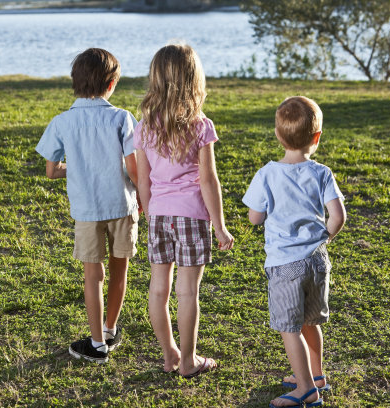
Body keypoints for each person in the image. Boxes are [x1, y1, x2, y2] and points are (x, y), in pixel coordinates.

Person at [135, 44, 234, 378]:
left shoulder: (144, 125)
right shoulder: (200, 124)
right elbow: (208, 180)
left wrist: (151, 215)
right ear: (194, 79)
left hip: (159, 216)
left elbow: (144, 181)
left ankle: (169, 357)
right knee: (188, 291)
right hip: (192, 216)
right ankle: (188, 361)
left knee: (158, 289)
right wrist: (219, 225)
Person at [36, 48, 139, 364]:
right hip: (123, 206)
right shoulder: (122, 117)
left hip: (87, 211)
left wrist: (73, 167)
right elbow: (134, 169)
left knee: (93, 275)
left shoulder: (62, 122)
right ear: (111, 85)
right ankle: (110, 330)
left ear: (75, 84)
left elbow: (52, 170)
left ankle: (96, 344)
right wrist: (145, 198)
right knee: (119, 269)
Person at [243, 96, 346, 407]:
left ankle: (305, 389)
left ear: (278, 135)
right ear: (316, 138)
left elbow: (255, 217)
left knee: (290, 329)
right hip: (317, 260)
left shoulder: (267, 174)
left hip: (285, 265)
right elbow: (338, 217)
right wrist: (324, 237)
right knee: (310, 321)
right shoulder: (322, 172)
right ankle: (317, 375)